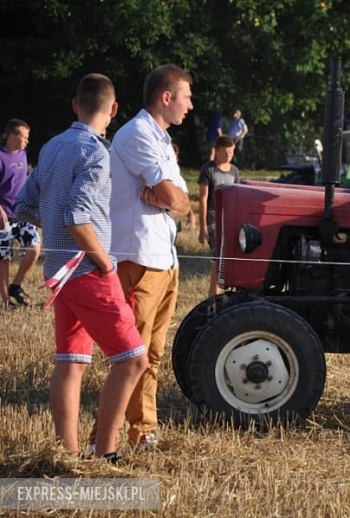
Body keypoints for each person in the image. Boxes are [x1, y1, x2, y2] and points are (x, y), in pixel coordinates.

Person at [14, 73, 148, 460]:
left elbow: (24, 207)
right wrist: (105, 262)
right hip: (87, 270)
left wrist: (54, 230)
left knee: (71, 362)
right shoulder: (96, 152)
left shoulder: (54, 146)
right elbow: (77, 215)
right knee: (133, 359)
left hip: (58, 272)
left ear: (75, 104)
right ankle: (104, 451)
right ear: (115, 109)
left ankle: (66, 453)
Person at [90, 64, 193, 450]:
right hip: (138, 257)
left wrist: (172, 200)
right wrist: (171, 200)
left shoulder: (162, 140)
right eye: (186, 96)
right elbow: (172, 199)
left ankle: (142, 431)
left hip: (163, 259)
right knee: (132, 353)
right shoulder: (135, 134)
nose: (190, 105)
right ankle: (105, 438)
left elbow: (180, 202)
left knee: (152, 353)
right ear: (165, 98)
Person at [0, 119, 41, 307]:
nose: (26, 140)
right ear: (12, 136)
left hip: (22, 214)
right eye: (24, 136)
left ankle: (16, 285)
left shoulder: (24, 155)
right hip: (4, 217)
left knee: (34, 248)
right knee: (4, 258)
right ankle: (6, 299)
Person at [198, 135, 240, 297]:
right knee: (219, 256)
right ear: (216, 151)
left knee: (227, 257)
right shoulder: (208, 170)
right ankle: (213, 296)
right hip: (213, 219)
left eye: (231, 152)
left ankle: (221, 293)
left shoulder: (235, 171)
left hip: (228, 219)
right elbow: (202, 199)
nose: (228, 155)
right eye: (225, 152)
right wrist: (203, 227)